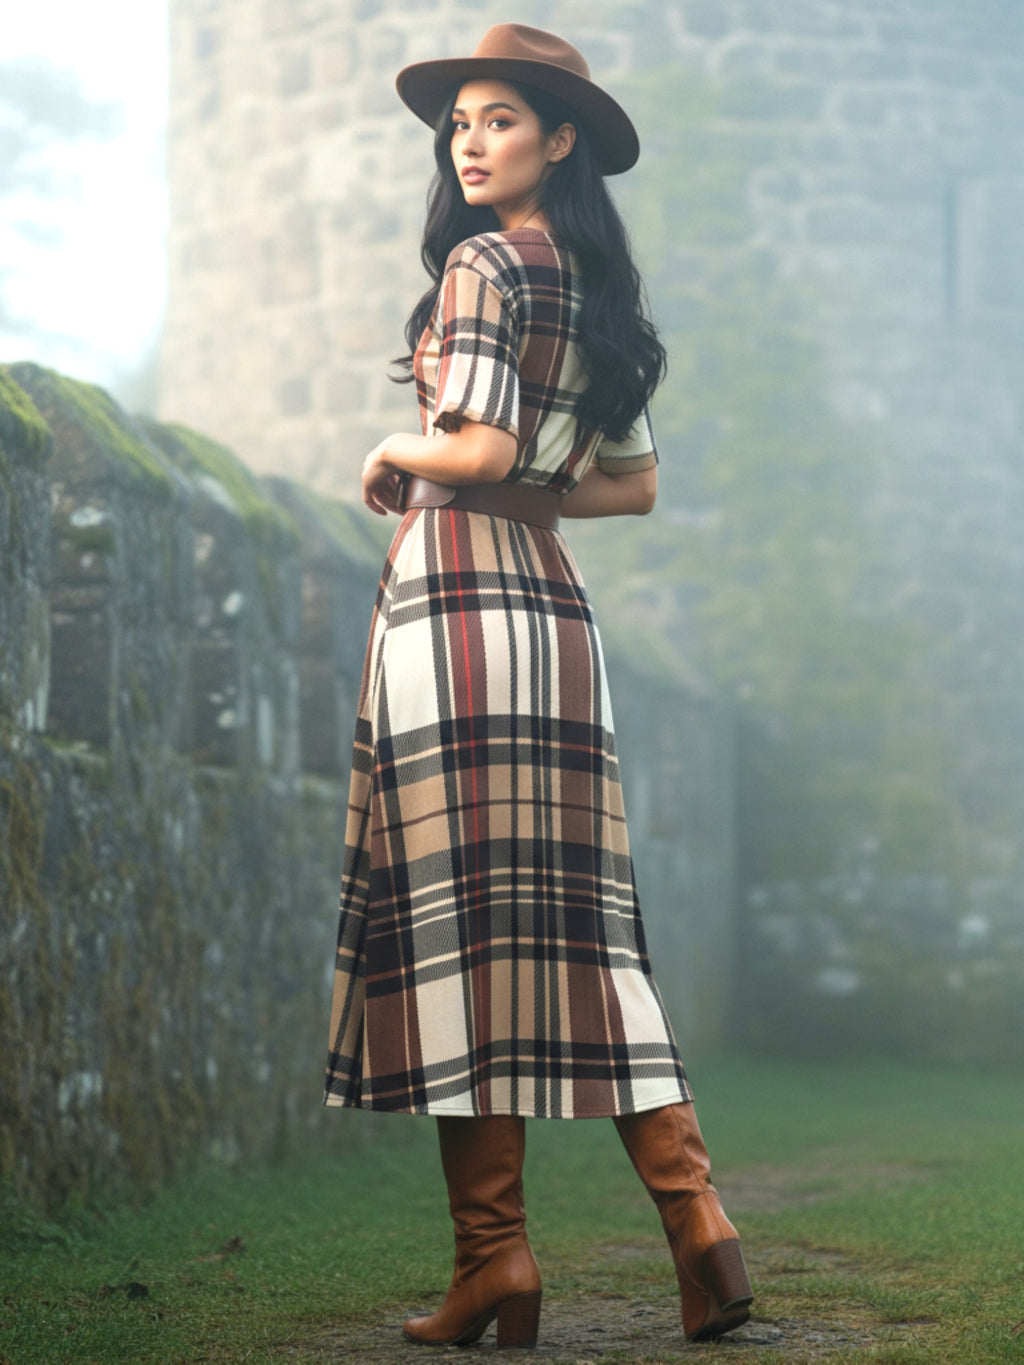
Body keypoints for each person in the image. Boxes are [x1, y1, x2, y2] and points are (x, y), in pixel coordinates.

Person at [324, 23, 753, 1350]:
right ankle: (701, 1226)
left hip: (455, 609)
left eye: (499, 118)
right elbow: (631, 486)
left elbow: (484, 447)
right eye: (459, 120)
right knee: (583, 933)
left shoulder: (481, 263)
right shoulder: (599, 293)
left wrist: (399, 446)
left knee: (458, 932)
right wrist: (511, 478)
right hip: (552, 621)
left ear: (560, 140)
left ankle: (495, 1258)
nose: (469, 140)